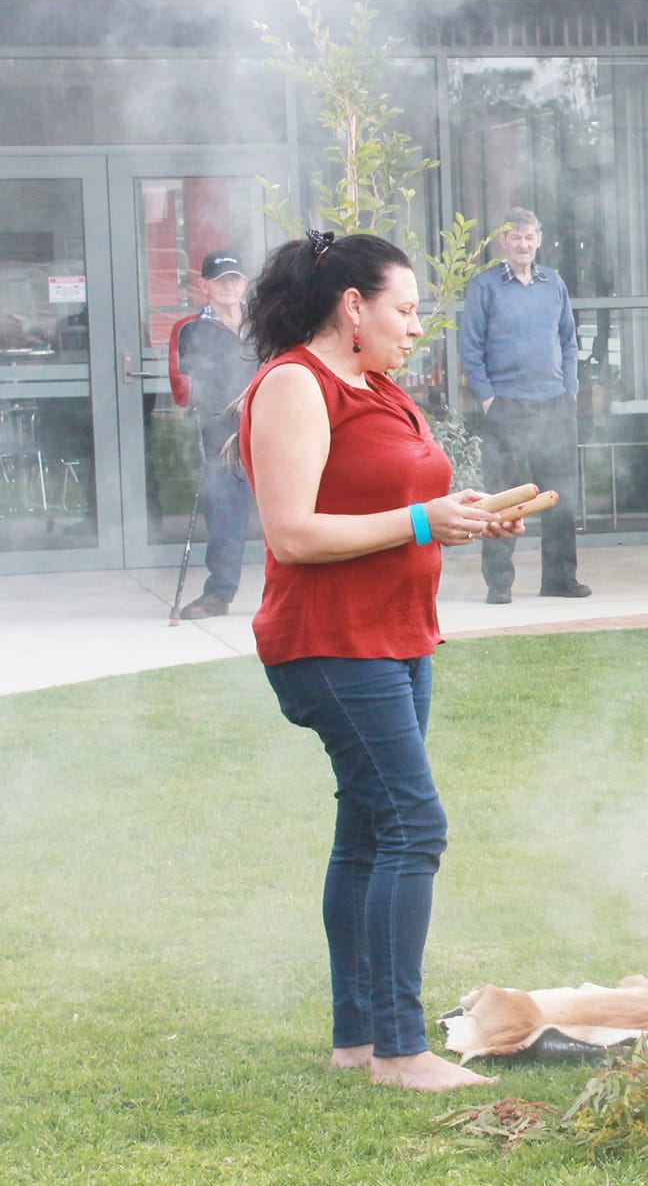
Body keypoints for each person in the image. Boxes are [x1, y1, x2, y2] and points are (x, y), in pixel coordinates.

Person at [239, 229, 519, 1091]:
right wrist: (427, 521)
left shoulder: (383, 390)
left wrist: (462, 509)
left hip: (396, 635)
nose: (415, 327)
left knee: (366, 829)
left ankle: (357, 1039)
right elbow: (293, 532)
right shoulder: (294, 383)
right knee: (412, 825)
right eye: (404, 309)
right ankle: (401, 1050)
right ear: (351, 306)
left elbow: (398, 497)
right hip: (329, 640)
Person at [459, 207, 588, 605]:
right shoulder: (485, 287)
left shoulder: (554, 284)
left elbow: (568, 341)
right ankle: (499, 584)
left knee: (560, 496)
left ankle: (560, 580)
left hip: (554, 405)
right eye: (515, 236)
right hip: (507, 407)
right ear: (503, 241)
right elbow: (470, 347)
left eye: (529, 236)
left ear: (539, 238)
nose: (522, 243)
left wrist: (571, 390)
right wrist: (488, 399)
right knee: (503, 497)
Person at [169, 250, 261, 619]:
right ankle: (219, 594)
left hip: (273, 426)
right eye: (220, 280)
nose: (229, 286)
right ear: (203, 284)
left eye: (235, 279)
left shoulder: (264, 326)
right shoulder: (191, 330)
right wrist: (231, 402)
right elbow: (187, 388)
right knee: (225, 512)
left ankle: (299, 594)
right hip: (221, 432)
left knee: (289, 510)